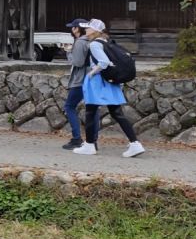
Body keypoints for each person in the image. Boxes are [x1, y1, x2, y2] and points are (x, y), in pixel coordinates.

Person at [74, 19, 146, 157]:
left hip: (98, 82)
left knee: (90, 112)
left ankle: (89, 145)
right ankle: (135, 143)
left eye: (88, 28)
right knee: (117, 113)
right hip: (110, 82)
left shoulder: (94, 44)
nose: (86, 30)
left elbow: (104, 62)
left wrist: (92, 72)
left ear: (95, 31)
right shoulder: (105, 42)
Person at [61, 19, 91, 150]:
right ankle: (91, 141)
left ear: (76, 29)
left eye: (72, 27)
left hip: (80, 80)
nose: (71, 30)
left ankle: (76, 138)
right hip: (90, 79)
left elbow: (77, 63)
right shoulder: (91, 40)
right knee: (92, 109)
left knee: (69, 107)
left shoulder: (80, 42)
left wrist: (68, 52)